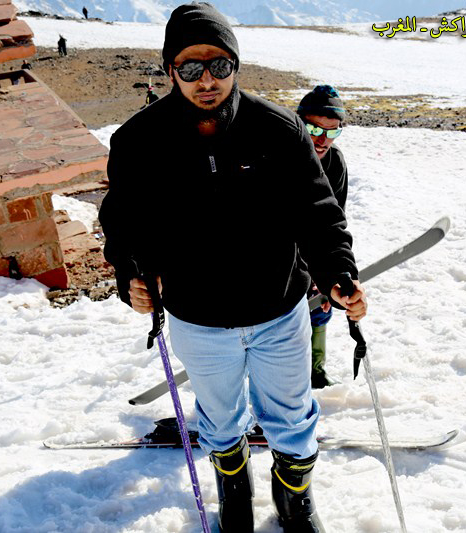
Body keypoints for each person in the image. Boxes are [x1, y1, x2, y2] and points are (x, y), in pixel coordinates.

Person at [99, 3, 366, 532]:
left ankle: (294, 501)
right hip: (197, 317)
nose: (206, 80)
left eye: (219, 65)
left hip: (279, 309)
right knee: (219, 421)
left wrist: (338, 273)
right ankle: (235, 495)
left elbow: (317, 211)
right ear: (170, 69)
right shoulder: (138, 140)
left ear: (236, 66)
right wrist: (130, 272)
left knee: (291, 419)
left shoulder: (279, 129)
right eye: (190, 67)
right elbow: (124, 220)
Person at [296, 85, 349, 389]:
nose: (322, 139)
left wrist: (324, 275)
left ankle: (316, 370)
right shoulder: (277, 153)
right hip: (273, 252)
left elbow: (333, 219)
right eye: (314, 128)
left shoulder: (335, 163)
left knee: (320, 307)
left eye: (332, 131)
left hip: (312, 250)